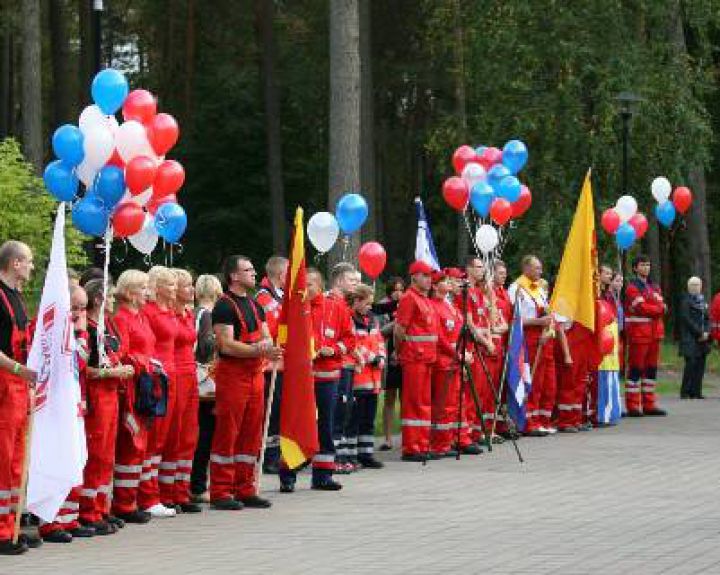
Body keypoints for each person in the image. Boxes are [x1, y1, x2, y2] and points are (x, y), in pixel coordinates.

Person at [210, 255, 280, 509]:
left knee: (252, 433)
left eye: (253, 268)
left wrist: (268, 349)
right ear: (234, 276)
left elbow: (266, 336)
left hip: (255, 375)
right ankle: (220, 491)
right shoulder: (224, 306)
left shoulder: (255, 305)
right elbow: (226, 344)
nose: (253, 273)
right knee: (228, 433)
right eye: (247, 270)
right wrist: (259, 350)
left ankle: (245, 487)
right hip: (233, 376)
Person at [279, 268, 354, 492]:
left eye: (309, 285)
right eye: (302, 285)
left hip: (327, 377)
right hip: (299, 379)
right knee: (296, 424)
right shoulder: (293, 309)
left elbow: (350, 339)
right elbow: (280, 336)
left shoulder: (336, 307)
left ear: (319, 285)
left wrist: (334, 349)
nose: (304, 289)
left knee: (326, 426)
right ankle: (288, 473)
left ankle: (323, 475)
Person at [38, 284, 95, 543]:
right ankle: (51, 521)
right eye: (75, 308)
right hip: (54, 407)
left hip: (74, 403)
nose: (79, 313)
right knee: (57, 460)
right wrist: (82, 332)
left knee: (75, 459)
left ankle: (69, 517)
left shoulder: (76, 329)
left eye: (83, 308)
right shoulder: (53, 329)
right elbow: (77, 360)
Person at [79, 279, 133, 535]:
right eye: (110, 296)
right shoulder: (87, 329)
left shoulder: (104, 328)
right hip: (97, 396)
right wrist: (111, 372)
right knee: (96, 454)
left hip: (111, 396)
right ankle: (88, 511)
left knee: (107, 456)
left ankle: (101, 508)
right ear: (98, 299)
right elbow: (84, 369)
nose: (114, 300)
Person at [0, 241, 38, 555]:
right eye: (28, 262)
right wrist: (18, 369)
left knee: (15, 462)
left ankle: (10, 528)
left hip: (18, 387)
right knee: (2, 459)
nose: (31, 267)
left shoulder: (18, 298)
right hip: (4, 385)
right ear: (14, 263)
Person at [112, 270, 155, 525]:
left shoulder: (141, 318)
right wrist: (145, 363)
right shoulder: (122, 318)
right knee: (130, 444)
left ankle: (131, 499)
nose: (148, 292)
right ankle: (123, 503)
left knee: (140, 446)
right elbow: (122, 354)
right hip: (130, 388)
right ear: (130, 292)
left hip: (144, 386)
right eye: (144, 288)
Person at [140, 266, 179, 517]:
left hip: (173, 373)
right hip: (157, 375)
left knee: (164, 439)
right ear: (158, 287)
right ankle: (147, 495)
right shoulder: (150, 312)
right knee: (152, 439)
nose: (175, 289)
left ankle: (156, 493)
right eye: (171, 284)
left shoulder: (170, 311)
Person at [162, 268, 201, 512]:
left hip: (190, 374)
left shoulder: (187, 314)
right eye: (186, 286)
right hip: (175, 373)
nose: (191, 290)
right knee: (173, 436)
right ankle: (166, 492)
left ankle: (181, 489)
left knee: (188, 436)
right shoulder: (170, 316)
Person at [394, 260, 439, 462]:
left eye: (431, 276)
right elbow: (399, 330)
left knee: (424, 403)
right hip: (414, 358)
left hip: (427, 358)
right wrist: (400, 352)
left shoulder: (425, 299)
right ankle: (411, 447)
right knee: (413, 403)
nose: (430, 280)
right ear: (414, 277)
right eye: (426, 276)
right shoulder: (409, 299)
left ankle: (421, 444)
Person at [508, 255, 557, 436]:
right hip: (529, 339)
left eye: (540, 268)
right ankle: (529, 421)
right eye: (537, 268)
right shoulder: (517, 288)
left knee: (548, 383)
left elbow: (548, 314)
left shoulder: (540, 289)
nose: (540, 271)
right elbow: (515, 319)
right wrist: (539, 322)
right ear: (526, 268)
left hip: (545, 339)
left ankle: (543, 420)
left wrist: (548, 330)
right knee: (533, 381)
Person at [190, 274, 223, 504]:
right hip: (204, 381)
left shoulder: (197, 313)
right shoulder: (205, 315)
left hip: (202, 380)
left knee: (204, 433)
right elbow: (202, 349)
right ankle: (198, 484)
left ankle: (197, 482)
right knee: (204, 434)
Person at [255, 256, 288, 475]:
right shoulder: (264, 298)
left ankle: (274, 454)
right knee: (270, 412)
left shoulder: (280, 296)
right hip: (269, 365)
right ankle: (268, 456)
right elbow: (270, 328)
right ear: (280, 274)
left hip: (280, 364)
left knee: (277, 413)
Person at [347, 284, 385, 469]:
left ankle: (366, 453)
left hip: (373, 379)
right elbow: (353, 343)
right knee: (354, 419)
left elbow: (379, 341)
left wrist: (382, 356)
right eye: (367, 303)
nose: (371, 307)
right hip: (358, 378)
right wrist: (373, 357)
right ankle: (350, 455)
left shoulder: (373, 320)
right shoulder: (349, 319)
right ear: (356, 302)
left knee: (368, 420)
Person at [429, 270, 467, 457]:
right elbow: (440, 337)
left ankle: (449, 440)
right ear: (435, 286)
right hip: (443, 360)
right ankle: (438, 444)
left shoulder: (450, 305)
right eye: (444, 281)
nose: (449, 283)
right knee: (443, 404)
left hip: (455, 359)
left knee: (454, 403)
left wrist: (463, 353)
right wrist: (456, 353)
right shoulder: (434, 306)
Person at [326, 263, 359, 472]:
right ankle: (330, 458)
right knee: (334, 412)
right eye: (352, 280)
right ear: (339, 280)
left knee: (342, 411)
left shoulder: (343, 305)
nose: (356, 283)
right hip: (332, 366)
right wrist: (339, 348)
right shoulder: (329, 303)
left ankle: (335, 455)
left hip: (344, 363)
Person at [624, 255, 667, 416]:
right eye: (642, 265)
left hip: (655, 335)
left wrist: (657, 308)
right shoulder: (632, 288)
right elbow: (643, 308)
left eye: (648, 265)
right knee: (636, 369)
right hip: (639, 335)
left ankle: (649, 404)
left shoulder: (654, 287)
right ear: (635, 268)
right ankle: (633, 405)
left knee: (651, 370)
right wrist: (659, 309)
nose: (646, 268)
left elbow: (660, 305)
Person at [378, 277, 405, 451]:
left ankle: (405, 437)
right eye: (395, 289)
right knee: (389, 398)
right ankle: (387, 438)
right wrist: (396, 323)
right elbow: (378, 331)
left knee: (405, 398)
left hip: (404, 354)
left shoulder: (407, 304)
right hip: (387, 354)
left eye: (401, 289)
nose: (398, 293)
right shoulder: (382, 306)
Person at [679, 277, 710, 400]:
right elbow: (686, 319)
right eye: (693, 285)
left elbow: (708, 318)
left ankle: (696, 391)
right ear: (688, 286)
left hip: (703, 338)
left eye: (697, 285)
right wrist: (699, 333)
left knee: (701, 364)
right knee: (691, 364)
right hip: (690, 338)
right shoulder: (685, 301)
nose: (695, 287)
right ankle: (685, 391)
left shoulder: (703, 301)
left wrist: (707, 332)